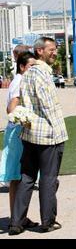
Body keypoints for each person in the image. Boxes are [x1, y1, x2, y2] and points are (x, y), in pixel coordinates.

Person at [9, 37, 68, 236]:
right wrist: (60, 132)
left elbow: (24, 102)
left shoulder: (26, 74)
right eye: (51, 49)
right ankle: (47, 221)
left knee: (27, 178)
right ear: (40, 51)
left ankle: (16, 222)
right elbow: (48, 105)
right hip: (48, 135)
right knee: (48, 179)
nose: (55, 52)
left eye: (55, 49)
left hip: (30, 133)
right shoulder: (42, 73)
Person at [0, 52, 37, 229]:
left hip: (15, 131)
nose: (33, 70)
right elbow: (11, 108)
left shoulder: (20, 80)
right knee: (19, 175)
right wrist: (24, 117)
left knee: (18, 177)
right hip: (17, 133)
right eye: (31, 66)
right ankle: (17, 217)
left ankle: (18, 217)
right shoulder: (20, 82)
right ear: (22, 67)